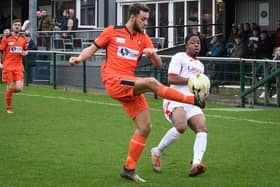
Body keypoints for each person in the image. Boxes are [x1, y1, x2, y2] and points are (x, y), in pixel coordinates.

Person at [69, 3, 204, 183]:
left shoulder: (143, 38)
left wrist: (152, 54)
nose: (146, 22)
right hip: (114, 80)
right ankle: (193, 99)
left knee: (145, 127)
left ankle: (128, 169)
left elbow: (159, 65)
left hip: (129, 85)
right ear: (132, 17)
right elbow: (92, 48)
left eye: (147, 19)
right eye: (143, 19)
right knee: (151, 82)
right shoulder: (112, 31)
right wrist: (79, 57)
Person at [150, 34, 208, 177]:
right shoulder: (179, 57)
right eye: (193, 42)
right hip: (174, 98)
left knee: (202, 128)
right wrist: (192, 80)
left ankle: (196, 164)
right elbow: (171, 78)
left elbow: (198, 86)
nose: (196, 45)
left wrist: (201, 96)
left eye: (198, 43)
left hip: (191, 101)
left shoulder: (200, 65)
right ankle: (156, 152)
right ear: (186, 45)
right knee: (181, 127)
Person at [0, 19, 28, 113]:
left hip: (18, 66)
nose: (17, 26)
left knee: (19, 88)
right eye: (15, 24)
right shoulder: (6, 38)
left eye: (19, 25)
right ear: (12, 26)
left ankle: (8, 93)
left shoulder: (23, 38)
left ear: (20, 27)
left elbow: (25, 50)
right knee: (10, 86)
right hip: (8, 66)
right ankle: (9, 107)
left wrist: (25, 52)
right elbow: (1, 50)